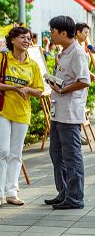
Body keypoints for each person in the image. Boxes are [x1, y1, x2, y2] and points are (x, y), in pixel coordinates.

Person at [0, 27, 44, 207]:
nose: (27, 41)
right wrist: (11, 88)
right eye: (22, 38)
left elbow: (40, 91)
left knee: (16, 153)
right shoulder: (2, 58)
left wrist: (27, 89)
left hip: (22, 113)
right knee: (2, 151)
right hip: (2, 110)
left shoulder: (32, 65)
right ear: (12, 40)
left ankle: (11, 192)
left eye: (29, 38)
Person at [44, 16, 90, 210]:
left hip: (69, 112)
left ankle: (75, 197)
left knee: (71, 155)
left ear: (63, 33)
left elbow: (84, 80)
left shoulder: (77, 53)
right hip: (58, 110)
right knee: (56, 153)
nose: (51, 35)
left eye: (53, 31)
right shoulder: (64, 52)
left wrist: (63, 89)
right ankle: (64, 192)